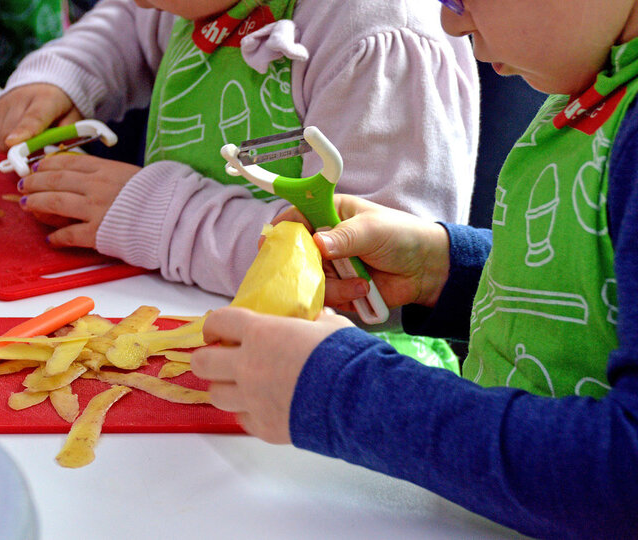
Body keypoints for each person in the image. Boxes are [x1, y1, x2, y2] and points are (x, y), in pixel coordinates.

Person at [191, 0, 638, 537]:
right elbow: (602, 289)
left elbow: (623, 477)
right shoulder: (602, 75)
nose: (450, 21)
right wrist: (445, 270)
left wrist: (341, 393)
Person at [0, 0, 479, 299]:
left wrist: (164, 219)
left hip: (320, 380)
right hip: (185, 305)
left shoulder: (381, 42)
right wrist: (66, 77)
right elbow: (129, 24)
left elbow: (368, 278)